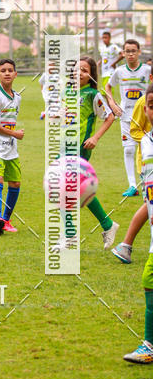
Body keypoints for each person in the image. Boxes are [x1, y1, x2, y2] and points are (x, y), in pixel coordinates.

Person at [123, 84, 153, 364]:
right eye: (152, 105)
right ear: (145, 109)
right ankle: (149, 345)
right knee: (148, 279)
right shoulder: (146, 143)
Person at [77, 56, 119, 249]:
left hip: (79, 149)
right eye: (77, 69)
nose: (79, 73)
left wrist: (95, 138)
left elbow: (110, 117)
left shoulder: (93, 95)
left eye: (84, 70)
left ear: (91, 75)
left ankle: (68, 238)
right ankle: (108, 224)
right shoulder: (67, 92)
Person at [105, 39, 151, 197]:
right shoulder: (119, 72)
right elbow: (108, 87)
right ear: (123, 54)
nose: (130, 54)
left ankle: (147, 181)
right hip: (125, 115)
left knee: (147, 148)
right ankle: (132, 185)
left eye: (133, 51)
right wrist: (112, 102)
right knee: (129, 149)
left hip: (145, 114)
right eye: (127, 51)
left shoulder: (147, 70)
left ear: (139, 52)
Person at [0, 58, 24, 235]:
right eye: (3, 70)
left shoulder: (18, 97)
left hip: (10, 146)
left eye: (10, 70)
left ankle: (6, 220)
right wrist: (14, 133)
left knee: (15, 182)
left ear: (15, 74)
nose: (7, 73)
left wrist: (13, 135)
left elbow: (8, 122)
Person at [113, 87, 151, 264]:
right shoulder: (143, 102)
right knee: (148, 204)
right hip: (148, 161)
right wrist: (148, 139)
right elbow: (135, 129)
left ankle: (126, 245)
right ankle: (126, 245)